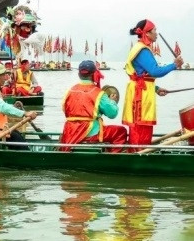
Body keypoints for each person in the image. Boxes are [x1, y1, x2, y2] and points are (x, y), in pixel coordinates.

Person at [122, 19, 183, 149]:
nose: (156, 33)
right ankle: (139, 154)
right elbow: (155, 71)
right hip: (140, 96)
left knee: (141, 127)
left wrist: (155, 88)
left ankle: (138, 150)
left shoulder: (140, 48)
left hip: (141, 91)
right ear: (147, 33)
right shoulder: (142, 50)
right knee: (141, 127)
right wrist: (174, 65)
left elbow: (141, 75)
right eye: (154, 30)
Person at [59, 60, 127, 152]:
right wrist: (112, 101)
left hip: (70, 133)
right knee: (121, 131)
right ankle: (112, 158)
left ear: (79, 74)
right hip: (90, 133)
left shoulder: (69, 91)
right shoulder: (99, 93)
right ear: (94, 75)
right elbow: (112, 114)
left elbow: (65, 110)